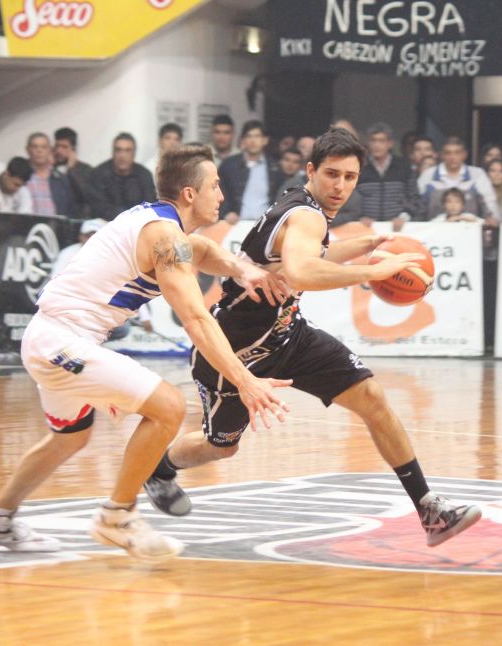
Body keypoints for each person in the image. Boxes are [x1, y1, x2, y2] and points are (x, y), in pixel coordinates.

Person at [144, 128, 482, 548]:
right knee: (221, 447)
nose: (340, 186)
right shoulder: (308, 216)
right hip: (235, 347)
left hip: (289, 335)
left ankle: (430, 510)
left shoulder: (302, 207)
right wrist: (372, 271)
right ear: (311, 170)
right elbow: (303, 271)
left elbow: (309, 256)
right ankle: (159, 468)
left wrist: (368, 244)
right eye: (332, 175)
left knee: (372, 397)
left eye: (350, 177)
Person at [0, 145, 291, 562]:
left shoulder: (163, 226)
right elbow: (196, 319)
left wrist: (242, 269)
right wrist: (245, 381)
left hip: (54, 339)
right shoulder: (165, 236)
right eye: (215, 185)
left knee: (69, 437)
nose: (222, 195)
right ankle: (117, 516)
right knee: (169, 407)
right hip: (61, 342)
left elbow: (205, 252)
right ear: (190, 194)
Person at [355, 122, 422, 229]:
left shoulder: (404, 166)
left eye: (381, 141)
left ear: (390, 143)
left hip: (398, 228)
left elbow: (414, 197)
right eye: (373, 140)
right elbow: (350, 197)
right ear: (368, 143)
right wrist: (360, 217)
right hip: (365, 228)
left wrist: (403, 217)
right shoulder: (358, 167)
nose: (377, 145)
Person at [218, 120, 284, 223]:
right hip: (234, 224)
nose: (253, 141)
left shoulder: (275, 168)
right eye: (249, 136)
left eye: (257, 136)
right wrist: (226, 213)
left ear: (265, 140)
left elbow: (281, 197)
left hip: (265, 225)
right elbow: (219, 192)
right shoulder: (228, 165)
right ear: (243, 140)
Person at [418, 136, 497, 221]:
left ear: (464, 154)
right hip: (434, 227)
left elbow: (490, 204)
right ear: (442, 155)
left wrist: (493, 220)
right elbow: (418, 206)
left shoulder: (477, 174)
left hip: (471, 227)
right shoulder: (428, 175)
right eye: (448, 153)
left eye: (457, 153)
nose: (452, 157)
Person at [90, 133, 156, 220]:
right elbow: (99, 207)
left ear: (134, 154)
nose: (122, 155)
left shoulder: (144, 175)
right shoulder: (98, 174)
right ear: (113, 153)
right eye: (118, 150)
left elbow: (150, 205)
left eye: (127, 150)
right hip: (106, 223)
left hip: (137, 221)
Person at [25, 132, 79, 217]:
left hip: (54, 223)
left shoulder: (60, 178)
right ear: (27, 150)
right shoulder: (21, 176)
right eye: (35, 147)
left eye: (44, 147)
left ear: (50, 150)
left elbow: (70, 208)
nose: (39, 151)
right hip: (26, 223)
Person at [53, 127, 96, 219]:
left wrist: (71, 170)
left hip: (77, 218)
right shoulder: (50, 168)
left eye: (64, 147)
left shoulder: (85, 169)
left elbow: (86, 196)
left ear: (73, 149)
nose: (59, 151)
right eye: (57, 146)